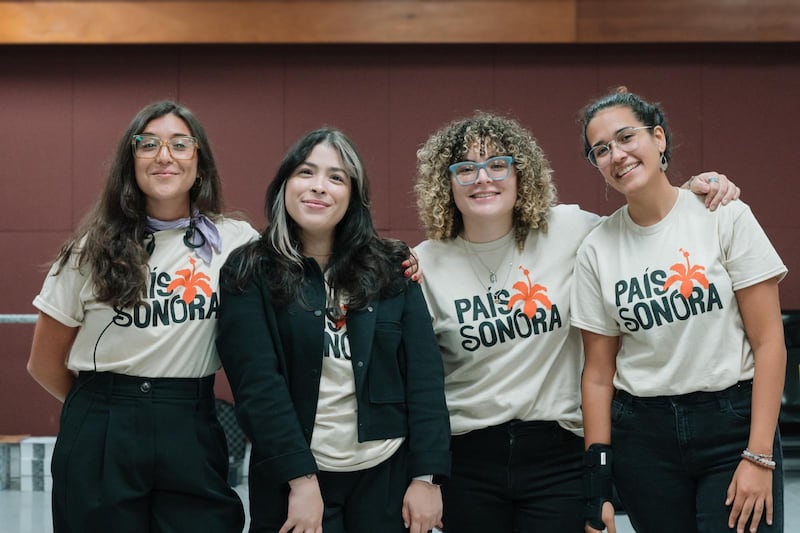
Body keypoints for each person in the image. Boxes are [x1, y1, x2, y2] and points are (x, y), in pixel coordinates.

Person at [412, 111, 740, 532]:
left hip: (558, 457)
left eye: (497, 165)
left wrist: (700, 187)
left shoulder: (570, 229)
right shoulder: (424, 263)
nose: (483, 179)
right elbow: (419, 384)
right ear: (446, 182)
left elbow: (649, 223)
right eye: (465, 169)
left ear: (520, 174)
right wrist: (425, 475)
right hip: (468, 461)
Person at [26, 100, 253, 532]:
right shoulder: (88, 250)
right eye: (148, 144)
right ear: (130, 164)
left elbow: (308, 265)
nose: (164, 155)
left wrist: (401, 266)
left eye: (180, 144)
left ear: (199, 164)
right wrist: (102, 412)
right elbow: (43, 363)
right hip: (103, 424)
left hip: (190, 421)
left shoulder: (235, 242)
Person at [216, 127, 451, 533]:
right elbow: (257, 387)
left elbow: (425, 377)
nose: (319, 187)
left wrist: (426, 477)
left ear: (353, 196)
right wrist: (301, 480)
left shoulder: (391, 265)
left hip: (386, 475)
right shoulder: (248, 269)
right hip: (293, 477)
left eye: (336, 177)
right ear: (284, 184)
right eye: (306, 173)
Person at [572, 87, 786, 533]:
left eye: (627, 137)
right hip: (643, 439)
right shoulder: (596, 249)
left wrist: (759, 455)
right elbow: (596, 375)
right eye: (601, 150)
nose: (617, 155)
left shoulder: (723, 215)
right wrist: (599, 485)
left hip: (732, 426)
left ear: (659, 138)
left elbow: (769, 344)